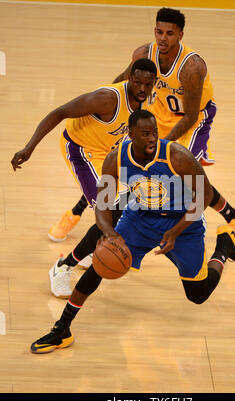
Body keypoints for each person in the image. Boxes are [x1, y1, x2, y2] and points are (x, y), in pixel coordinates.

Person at [30, 109, 235, 354]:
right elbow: (103, 205)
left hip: (182, 223)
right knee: (98, 265)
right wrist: (109, 232)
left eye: (154, 133)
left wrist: (176, 231)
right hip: (139, 219)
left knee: (198, 294)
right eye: (145, 133)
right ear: (130, 134)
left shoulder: (177, 156)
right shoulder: (115, 159)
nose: (151, 138)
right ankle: (62, 328)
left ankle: (224, 246)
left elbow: (206, 195)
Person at [48, 7, 235, 243]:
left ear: (180, 35)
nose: (163, 38)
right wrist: (113, 107)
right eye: (159, 32)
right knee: (115, 162)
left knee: (184, 173)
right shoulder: (144, 54)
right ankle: (75, 213)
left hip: (193, 119)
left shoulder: (191, 68)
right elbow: (122, 83)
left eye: (169, 33)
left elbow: (190, 116)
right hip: (159, 112)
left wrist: (162, 148)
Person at [11, 58, 158, 296]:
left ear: (154, 83)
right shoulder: (107, 98)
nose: (142, 88)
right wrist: (29, 148)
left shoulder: (144, 98)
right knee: (108, 211)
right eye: (138, 82)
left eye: (148, 84)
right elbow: (60, 112)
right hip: (81, 151)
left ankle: (91, 247)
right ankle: (62, 267)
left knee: (128, 203)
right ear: (129, 78)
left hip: (108, 152)